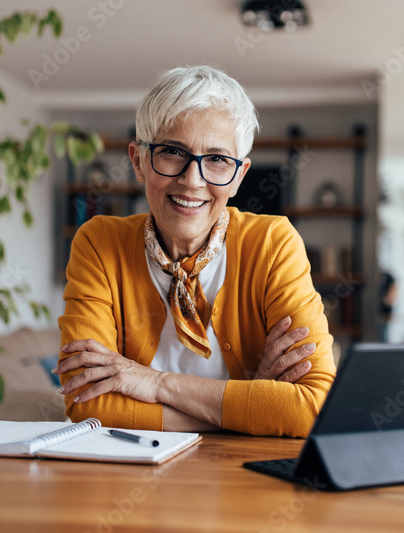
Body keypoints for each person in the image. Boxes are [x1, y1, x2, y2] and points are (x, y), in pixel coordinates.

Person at [54, 66, 336, 437]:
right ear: (138, 160)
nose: (192, 180)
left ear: (239, 176)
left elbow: (313, 409)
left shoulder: (272, 244)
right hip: (129, 480)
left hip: (243, 483)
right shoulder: (99, 243)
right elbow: (87, 404)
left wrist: (156, 384)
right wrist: (249, 409)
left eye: (218, 159)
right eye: (172, 152)